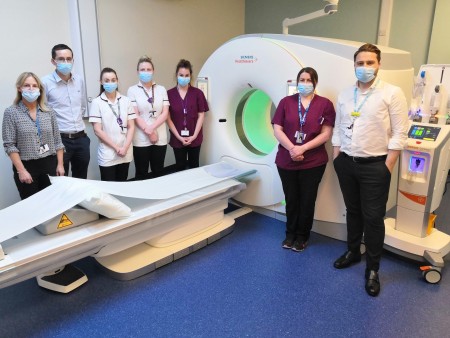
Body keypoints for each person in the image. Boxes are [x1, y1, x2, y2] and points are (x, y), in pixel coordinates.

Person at [331, 43, 408, 297]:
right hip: (347, 163)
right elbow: (339, 126)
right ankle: (353, 251)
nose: (364, 68)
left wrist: (388, 166)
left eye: (369, 63)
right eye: (360, 63)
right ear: (354, 65)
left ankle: (373, 269)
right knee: (352, 211)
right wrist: (337, 155)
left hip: (376, 165)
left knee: (373, 218)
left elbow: (400, 132)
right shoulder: (344, 94)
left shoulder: (391, 93)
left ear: (379, 65)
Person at [272, 67, 336, 252]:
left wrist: (303, 148)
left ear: (315, 83)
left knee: (307, 200)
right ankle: (290, 234)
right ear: (297, 81)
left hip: (313, 162)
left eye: (309, 80)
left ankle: (302, 236)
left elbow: (326, 134)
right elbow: (278, 129)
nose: (305, 83)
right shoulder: (286, 102)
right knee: (291, 199)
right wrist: (292, 148)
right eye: (302, 79)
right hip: (286, 159)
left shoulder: (325, 104)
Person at [2, 72, 65, 200]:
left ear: (39, 89)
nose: (31, 89)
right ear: (19, 88)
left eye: (34, 86)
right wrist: (21, 170)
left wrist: (60, 165)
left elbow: (58, 141)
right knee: (32, 206)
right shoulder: (11, 112)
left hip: (50, 164)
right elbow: (10, 145)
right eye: (27, 85)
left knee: (52, 202)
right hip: (27, 166)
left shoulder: (48, 111)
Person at [42, 43, 90, 179]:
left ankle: (79, 202)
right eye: (61, 59)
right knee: (61, 181)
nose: (66, 62)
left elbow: (82, 106)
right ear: (53, 61)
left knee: (81, 180)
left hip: (81, 139)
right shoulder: (45, 82)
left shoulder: (79, 80)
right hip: (61, 141)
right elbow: (43, 113)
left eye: (69, 59)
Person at [89, 68, 136, 181]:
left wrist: (124, 147)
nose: (110, 83)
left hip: (125, 151)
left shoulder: (126, 100)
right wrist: (116, 148)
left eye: (113, 80)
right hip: (108, 154)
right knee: (109, 187)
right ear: (101, 82)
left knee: (122, 183)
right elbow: (97, 130)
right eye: (107, 80)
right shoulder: (97, 102)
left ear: (117, 81)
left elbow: (131, 126)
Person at [127, 56, 169, 179]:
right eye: (142, 69)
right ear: (137, 72)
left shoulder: (161, 89)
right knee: (141, 173)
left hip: (160, 137)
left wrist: (153, 129)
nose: (146, 72)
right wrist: (149, 132)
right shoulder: (132, 90)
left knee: (158, 171)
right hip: (141, 139)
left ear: (153, 71)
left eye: (148, 69)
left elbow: (165, 113)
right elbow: (135, 115)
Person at [167, 59, 209, 172]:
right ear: (176, 75)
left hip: (195, 138)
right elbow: (168, 119)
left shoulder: (198, 93)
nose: (184, 77)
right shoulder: (169, 94)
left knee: (194, 166)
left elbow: (201, 115)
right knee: (180, 167)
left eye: (187, 75)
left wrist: (194, 135)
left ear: (190, 76)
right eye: (181, 75)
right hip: (177, 138)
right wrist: (179, 137)